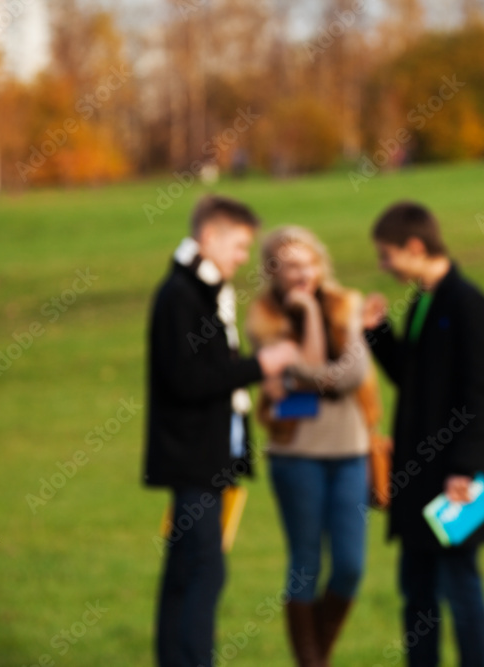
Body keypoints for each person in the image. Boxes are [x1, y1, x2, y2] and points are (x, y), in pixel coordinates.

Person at [144, 195, 300, 667]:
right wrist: (260, 365)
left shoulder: (206, 291)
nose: (241, 258)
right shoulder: (181, 295)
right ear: (209, 237)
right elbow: (187, 379)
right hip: (193, 457)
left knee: (185, 569)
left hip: (209, 456)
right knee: (205, 572)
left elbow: (208, 369)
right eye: (237, 246)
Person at [362, 202, 484, 667]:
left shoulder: (468, 304)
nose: (383, 266)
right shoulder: (423, 302)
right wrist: (377, 333)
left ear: (414, 246)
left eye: (387, 256)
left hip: (452, 479)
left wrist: (463, 470)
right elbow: (413, 378)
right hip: (416, 478)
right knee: (416, 591)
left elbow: (480, 395)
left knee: (460, 586)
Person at [245, 226, 381, 667]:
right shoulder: (263, 318)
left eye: (308, 263)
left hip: (350, 452)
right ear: (273, 273)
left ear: (321, 264)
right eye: (289, 266)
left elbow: (349, 378)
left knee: (350, 566)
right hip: (295, 456)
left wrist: (308, 372)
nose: (302, 273)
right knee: (304, 563)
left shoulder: (347, 302)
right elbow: (309, 373)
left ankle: (314, 659)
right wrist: (305, 317)